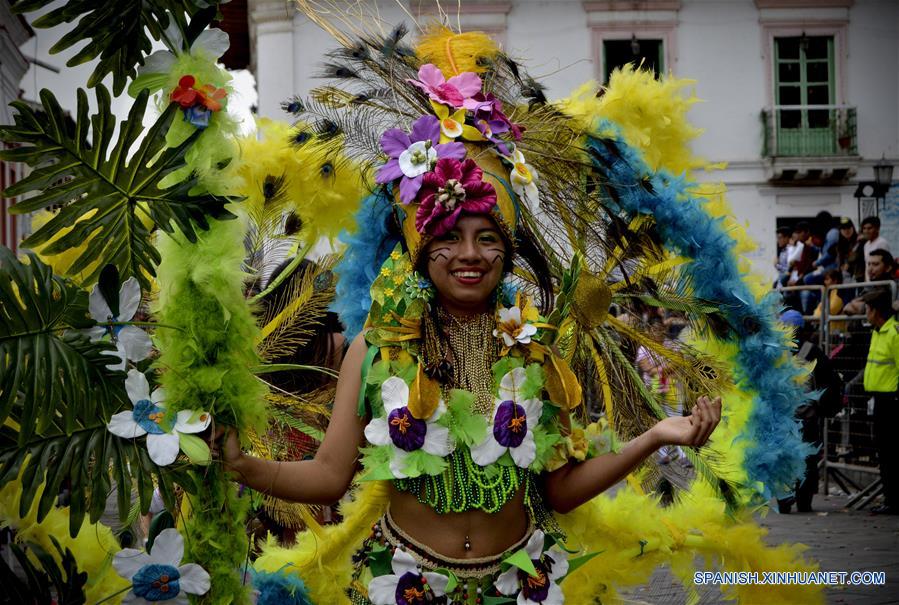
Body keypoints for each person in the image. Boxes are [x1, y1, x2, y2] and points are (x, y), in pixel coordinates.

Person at [215, 153, 722, 602]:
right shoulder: (375, 351)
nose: (470, 255)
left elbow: (560, 491)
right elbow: (328, 477)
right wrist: (243, 464)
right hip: (404, 585)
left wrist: (656, 437)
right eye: (449, 238)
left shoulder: (536, 352)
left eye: (487, 238)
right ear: (419, 248)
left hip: (520, 584)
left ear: (508, 250)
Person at [776, 310, 844, 513]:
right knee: (805, 460)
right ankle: (801, 501)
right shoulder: (810, 351)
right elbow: (830, 384)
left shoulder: (779, 351)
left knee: (786, 459)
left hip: (793, 418)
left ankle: (787, 500)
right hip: (803, 418)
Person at [860, 289, 899, 514]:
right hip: (879, 400)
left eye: (867, 309)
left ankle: (893, 502)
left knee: (891, 454)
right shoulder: (877, 331)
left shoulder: (893, 333)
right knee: (883, 453)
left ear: (876, 311)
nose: (865, 313)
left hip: (891, 402)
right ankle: (890, 499)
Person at [843, 249, 895, 315]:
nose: (870, 269)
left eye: (875, 264)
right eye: (869, 264)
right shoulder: (869, 288)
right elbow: (847, 308)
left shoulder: (893, 288)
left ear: (888, 268)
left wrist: (863, 307)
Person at [862, 216, 891, 281]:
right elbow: (867, 266)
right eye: (864, 228)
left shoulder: (882, 243)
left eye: (869, 228)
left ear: (877, 229)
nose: (866, 231)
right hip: (869, 283)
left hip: (879, 283)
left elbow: (884, 266)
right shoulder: (866, 245)